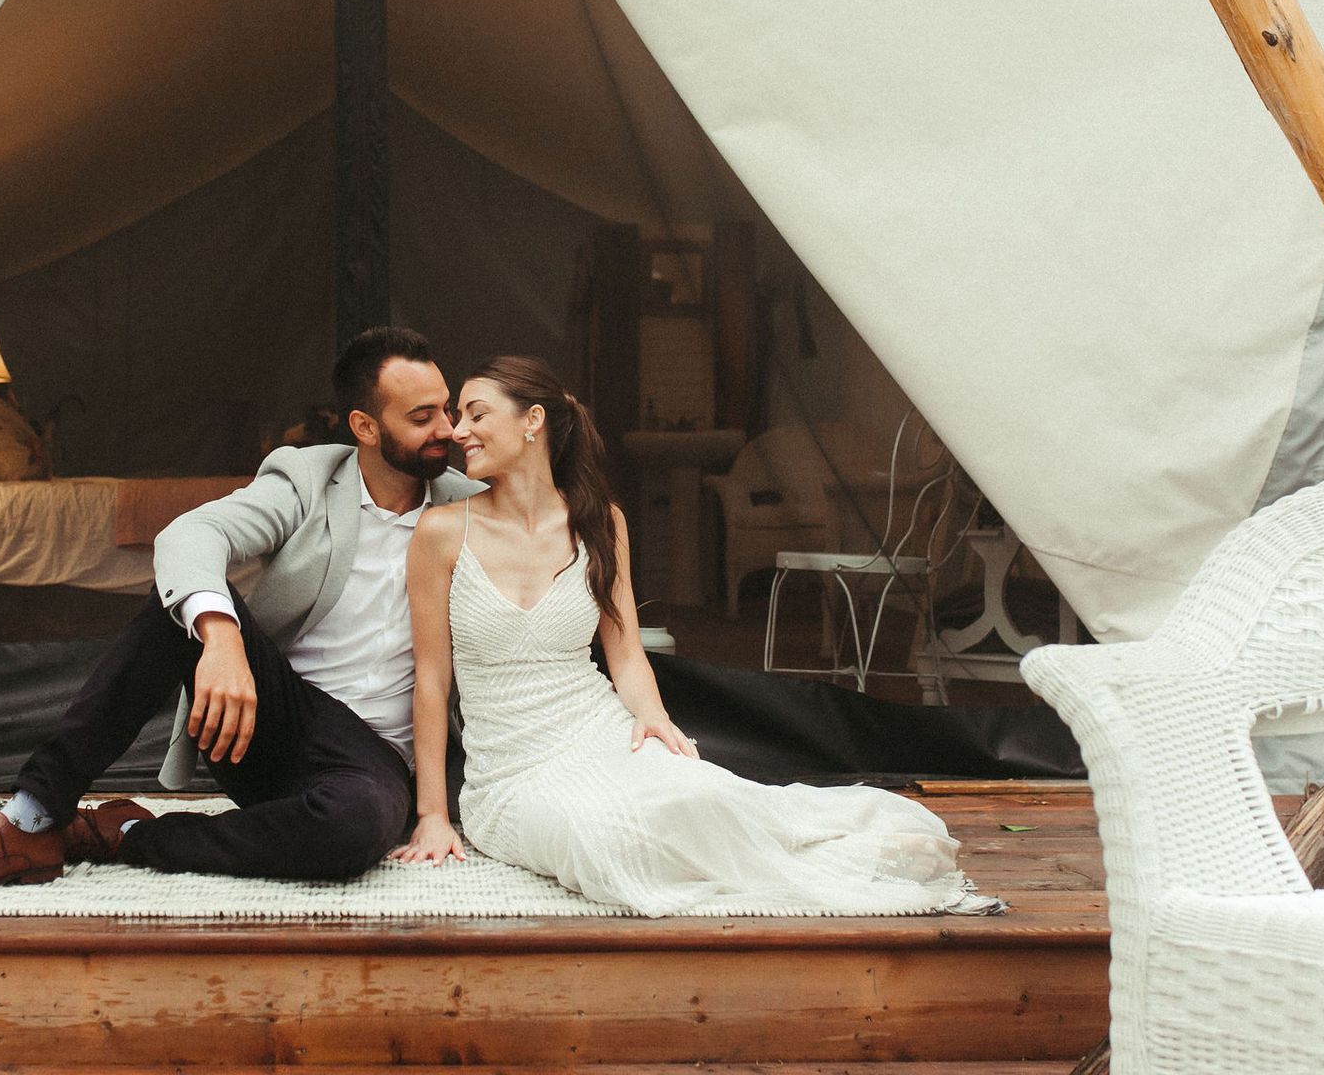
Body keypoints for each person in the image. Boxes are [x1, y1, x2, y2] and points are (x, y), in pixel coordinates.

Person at [389, 355, 1000, 918]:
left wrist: (654, 719)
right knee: (606, 841)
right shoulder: (443, 533)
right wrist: (433, 815)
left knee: (701, 802)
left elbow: (624, 653)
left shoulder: (602, 523)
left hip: (597, 731)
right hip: (512, 774)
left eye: (475, 414)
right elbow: (433, 681)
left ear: (534, 422)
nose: (456, 431)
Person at [0, 327, 480, 899]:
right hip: (272, 720)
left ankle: (129, 836)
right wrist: (221, 638)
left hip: (375, 760)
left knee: (354, 831)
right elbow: (190, 535)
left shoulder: (469, 508)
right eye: (422, 417)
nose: (447, 430)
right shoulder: (309, 478)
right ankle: (30, 816)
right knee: (180, 606)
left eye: (446, 410)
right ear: (364, 427)